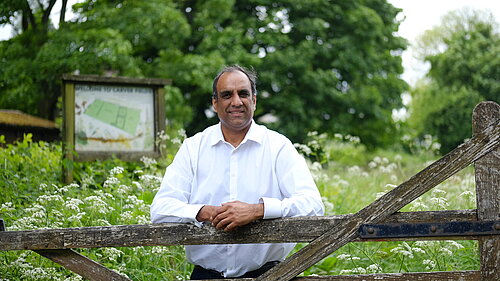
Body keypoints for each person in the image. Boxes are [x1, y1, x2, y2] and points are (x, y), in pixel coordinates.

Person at [150, 65, 324, 279]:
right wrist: (207, 212)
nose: (236, 102)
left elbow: (313, 206)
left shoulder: (278, 146)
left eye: (243, 93)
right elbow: (161, 209)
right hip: (206, 276)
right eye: (226, 95)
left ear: (254, 100)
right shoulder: (193, 148)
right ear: (215, 103)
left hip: (270, 275)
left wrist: (258, 210)